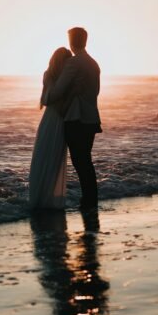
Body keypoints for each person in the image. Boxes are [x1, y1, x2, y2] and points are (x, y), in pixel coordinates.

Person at [47, 26, 101, 208]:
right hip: (91, 118)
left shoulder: (74, 63)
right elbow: (96, 92)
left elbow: (58, 91)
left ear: (71, 42)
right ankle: (90, 199)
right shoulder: (93, 63)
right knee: (85, 161)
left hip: (76, 118)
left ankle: (89, 201)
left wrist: (47, 94)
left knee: (80, 162)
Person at [28, 47, 71, 209]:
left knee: (54, 159)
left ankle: (48, 198)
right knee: (44, 156)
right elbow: (46, 99)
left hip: (59, 119)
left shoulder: (67, 77)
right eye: (66, 60)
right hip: (52, 119)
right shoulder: (49, 75)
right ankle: (41, 198)